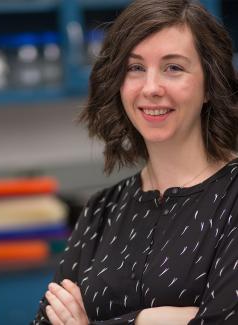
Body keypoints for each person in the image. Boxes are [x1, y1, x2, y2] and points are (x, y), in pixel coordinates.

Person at [31, 0, 238, 324]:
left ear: (210, 84)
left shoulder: (233, 197)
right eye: (135, 68)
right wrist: (158, 319)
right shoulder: (103, 209)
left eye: (174, 68)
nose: (151, 88)